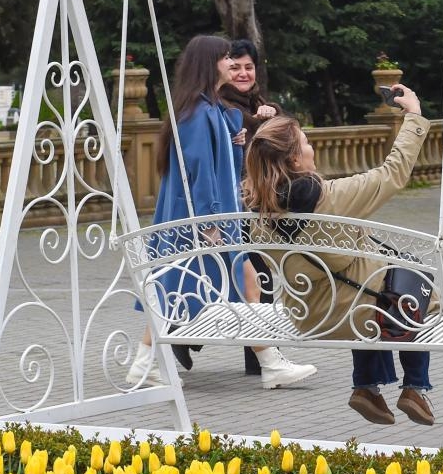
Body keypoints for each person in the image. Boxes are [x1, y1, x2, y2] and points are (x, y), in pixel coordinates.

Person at [126, 34, 317, 390]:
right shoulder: (197, 113)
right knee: (175, 292)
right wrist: (210, 223)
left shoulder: (209, 109)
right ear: (209, 63)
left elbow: (222, 169)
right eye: (226, 58)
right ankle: (144, 363)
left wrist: (234, 145)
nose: (233, 64)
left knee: (237, 285)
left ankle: (270, 363)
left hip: (213, 220)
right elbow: (197, 172)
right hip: (202, 222)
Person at [242, 85, 435, 425]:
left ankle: (368, 388)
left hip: (307, 316)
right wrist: (414, 116)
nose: (311, 148)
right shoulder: (330, 198)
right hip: (355, 310)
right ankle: (415, 387)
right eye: (306, 143)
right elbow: (393, 173)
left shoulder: (256, 212)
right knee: (413, 286)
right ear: (293, 159)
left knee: (364, 287)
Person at [219, 38, 280, 376]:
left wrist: (270, 114)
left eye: (248, 67)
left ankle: (260, 356)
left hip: (252, 203)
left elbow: (284, 131)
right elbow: (251, 134)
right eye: (236, 66)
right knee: (254, 274)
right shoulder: (223, 105)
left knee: (248, 274)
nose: (243, 73)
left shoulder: (254, 101)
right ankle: (263, 356)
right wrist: (263, 121)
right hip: (232, 204)